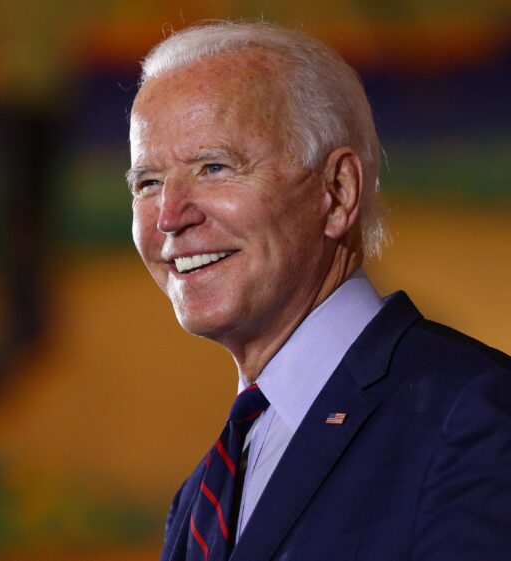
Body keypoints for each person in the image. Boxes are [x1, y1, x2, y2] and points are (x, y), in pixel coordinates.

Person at [127, 21, 511, 561]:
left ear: (337, 192)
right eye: (147, 182)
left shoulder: (470, 414)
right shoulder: (198, 498)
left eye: (213, 168)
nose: (168, 217)